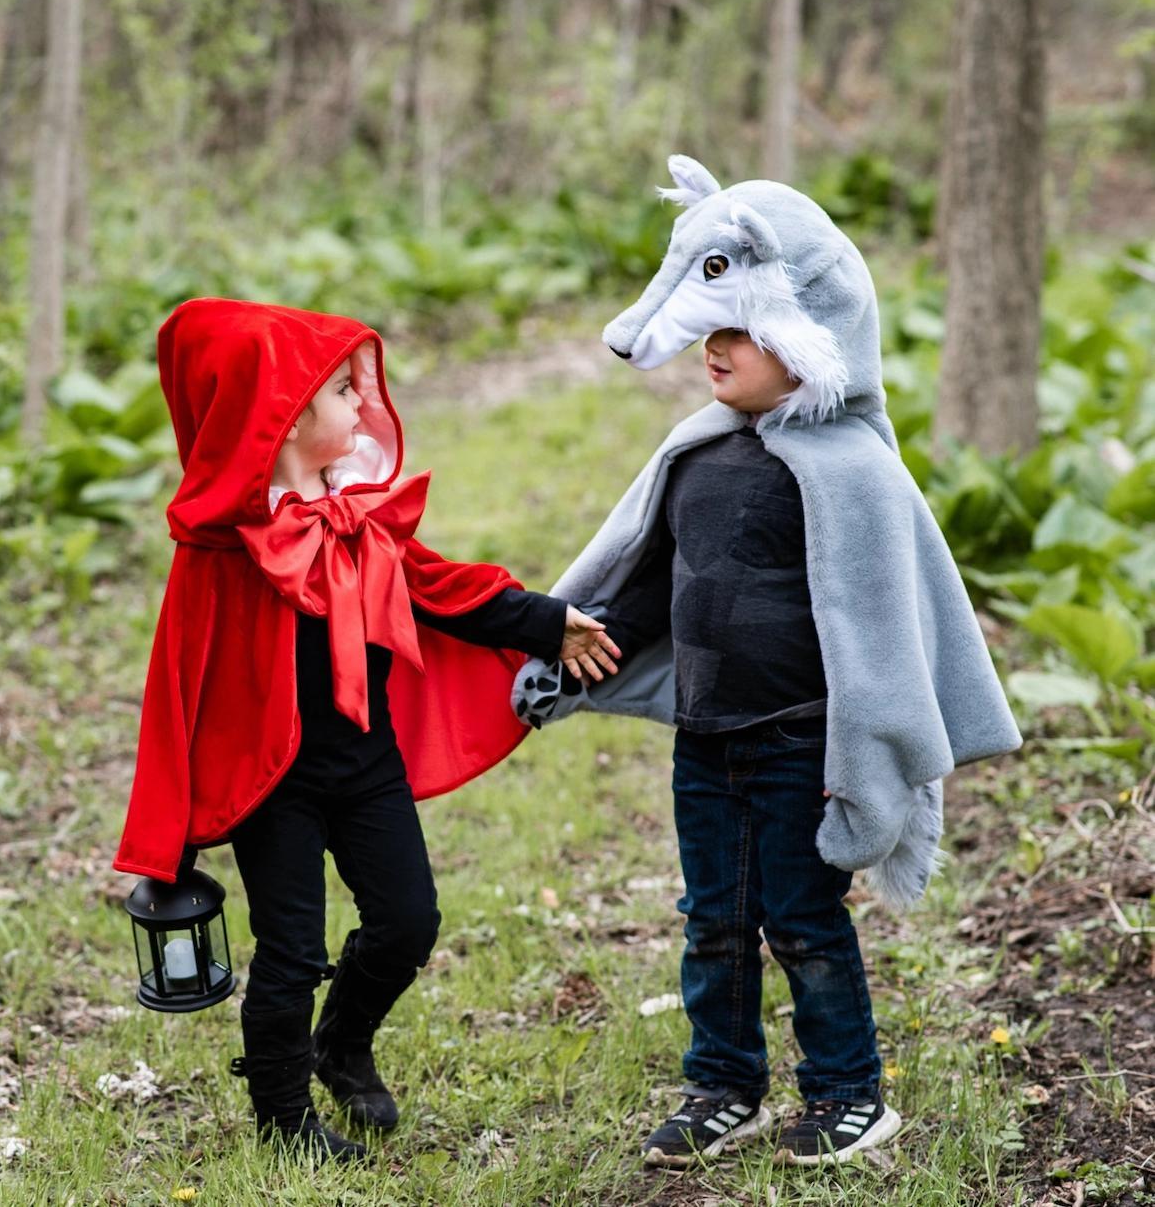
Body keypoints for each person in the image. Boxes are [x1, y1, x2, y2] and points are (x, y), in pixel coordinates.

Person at [513, 159, 1021, 1167]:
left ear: (804, 340)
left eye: (741, 331)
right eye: (711, 329)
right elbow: (648, 584)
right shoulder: (696, 453)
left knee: (800, 921)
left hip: (803, 745)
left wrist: (866, 757)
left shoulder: (854, 473)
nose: (717, 348)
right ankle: (723, 1085)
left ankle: (846, 1095)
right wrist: (571, 651)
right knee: (711, 922)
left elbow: (881, 631)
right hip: (705, 741)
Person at [113, 299, 618, 1161]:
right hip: (276, 781)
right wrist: (174, 840)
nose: (361, 405)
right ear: (283, 416)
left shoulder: (356, 508)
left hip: (366, 758)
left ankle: (341, 1044)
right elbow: (181, 691)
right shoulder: (222, 549)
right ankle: (283, 1123)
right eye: (343, 391)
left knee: (408, 921)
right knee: (290, 953)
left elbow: (440, 586)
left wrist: (545, 623)